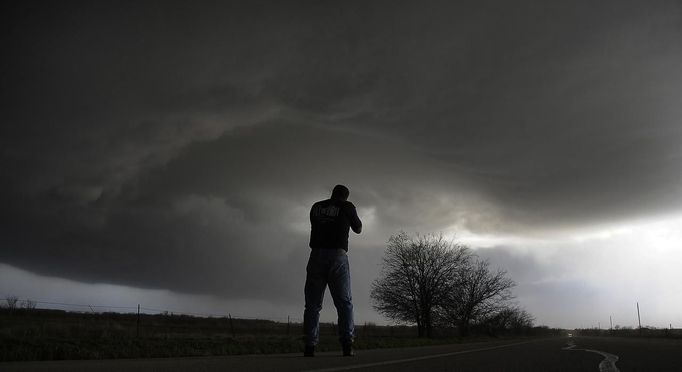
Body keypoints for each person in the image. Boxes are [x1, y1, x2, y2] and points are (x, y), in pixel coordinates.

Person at [303, 184, 362, 357]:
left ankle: (309, 346)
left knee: (312, 304)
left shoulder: (316, 206)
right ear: (346, 196)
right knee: (344, 303)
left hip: (316, 255)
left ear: (333, 193)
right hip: (337, 255)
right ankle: (347, 345)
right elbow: (358, 229)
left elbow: (315, 225)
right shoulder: (348, 206)